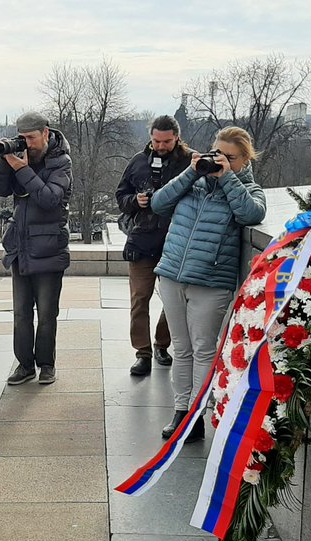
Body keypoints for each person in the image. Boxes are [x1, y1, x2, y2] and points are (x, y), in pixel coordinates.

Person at [151, 126, 265, 443]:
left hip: (211, 281)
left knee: (203, 349)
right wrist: (191, 172)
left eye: (230, 157)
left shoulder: (249, 189)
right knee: (181, 348)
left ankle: (195, 415)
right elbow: (159, 203)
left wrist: (227, 177)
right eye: (217, 153)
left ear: (245, 160)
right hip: (172, 274)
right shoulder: (194, 181)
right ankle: (180, 410)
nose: (220, 160)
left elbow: (251, 214)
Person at [0, 111, 72, 386]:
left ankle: (46, 364)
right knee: (21, 313)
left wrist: (22, 170)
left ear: (46, 133)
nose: (27, 143)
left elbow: (49, 199)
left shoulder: (61, 162)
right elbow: (0, 189)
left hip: (49, 246)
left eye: (31, 137)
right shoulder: (19, 157)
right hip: (20, 246)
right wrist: (7, 160)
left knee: (47, 313)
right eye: (22, 138)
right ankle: (25, 365)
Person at [115, 115, 191, 377]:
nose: (160, 146)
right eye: (156, 141)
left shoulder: (190, 162)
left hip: (176, 241)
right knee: (139, 300)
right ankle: (142, 353)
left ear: (177, 138)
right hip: (142, 240)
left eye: (166, 141)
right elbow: (121, 197)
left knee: (174, 301)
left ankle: (162, 344)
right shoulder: (138, 161)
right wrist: (135, 201)